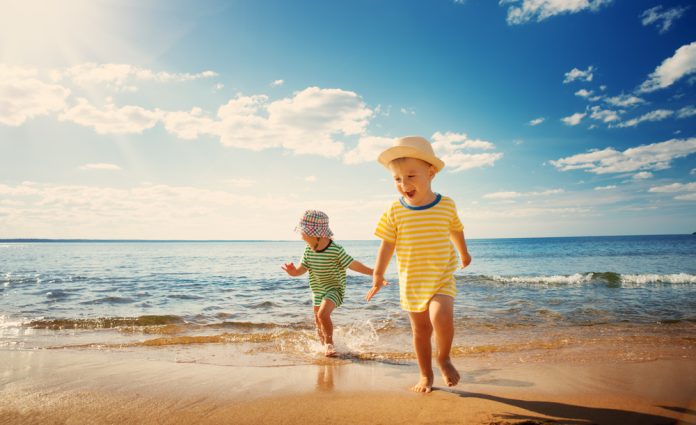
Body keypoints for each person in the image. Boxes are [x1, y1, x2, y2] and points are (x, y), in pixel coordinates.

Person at [365, 136, 472, 393]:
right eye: (397, 179)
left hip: (441, 276)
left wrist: (464, 253)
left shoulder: (446, 204)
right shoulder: (394, 210)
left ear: (430, 172)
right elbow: (387, 244)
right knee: (421, 331)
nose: (404, 184)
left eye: (411, 176)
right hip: (412, 281)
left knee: (441, 317)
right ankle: (425, 375)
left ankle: (443, 358)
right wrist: (378, 274)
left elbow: (455, 229)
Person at [282, 210, 375, 357]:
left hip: (334, 289)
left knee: (323, 314)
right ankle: (323, 347)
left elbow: (353, 264)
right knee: (318, 320)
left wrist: (375, 273)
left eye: (303, 232)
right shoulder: (308, 250)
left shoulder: (335, 250)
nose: (301, 236)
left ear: (316, 234)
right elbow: (301, 270)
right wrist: (292, 272)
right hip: (317, 291)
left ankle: (329, 344)